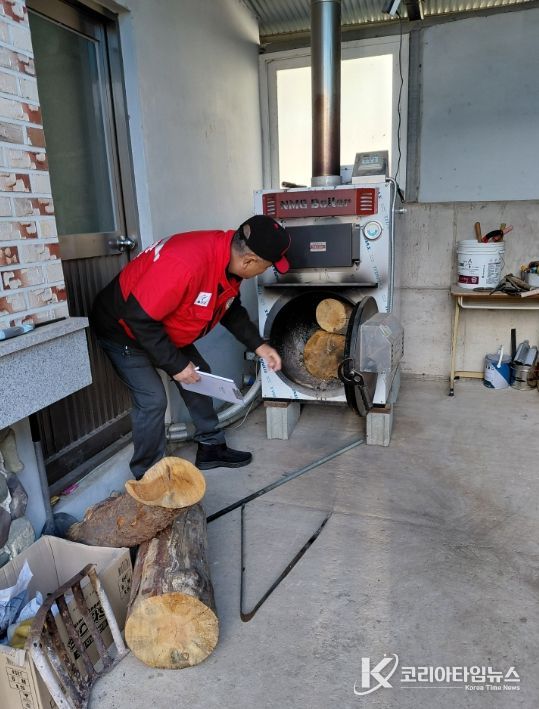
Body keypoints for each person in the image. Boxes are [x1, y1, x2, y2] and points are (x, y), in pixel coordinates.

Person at [90, 215, 291, 478]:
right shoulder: (185, 264)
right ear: (249, 261)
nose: (264, 271)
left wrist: (259, 346)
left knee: (199, 376)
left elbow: (229, 309)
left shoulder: (227, 260)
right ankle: (148, 477)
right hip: (122, 327)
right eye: (267, 266)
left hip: (158, 324)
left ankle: (211, 448)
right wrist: (176, 365)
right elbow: (137, 318)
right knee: (152, 400)